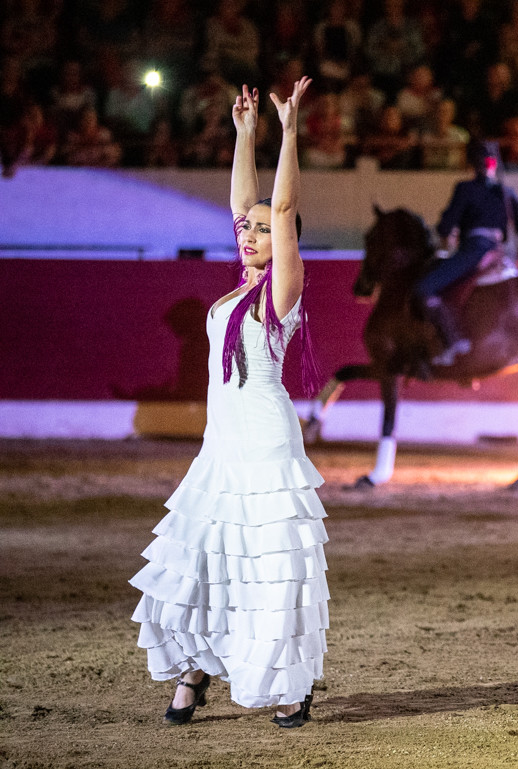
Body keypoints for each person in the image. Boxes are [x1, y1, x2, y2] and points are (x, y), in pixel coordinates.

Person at [130, 76, 329, 730]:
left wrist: (289, 131)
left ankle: (291, 684)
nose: (248, 233)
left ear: (285, 239)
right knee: (195, 559)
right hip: (221, 448)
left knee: (271, 570)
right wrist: (244, 134)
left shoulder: (281, 293)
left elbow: (279, 202)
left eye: (263, 230)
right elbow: (247, 202)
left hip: (267, 445)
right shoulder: (233, 289)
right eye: (244, 230)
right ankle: (193, 670)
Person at [420, 139, 518, 366]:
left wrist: (447, 232)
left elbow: (445, 226)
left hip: (474, 250)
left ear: (472, 164)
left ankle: (452, 340)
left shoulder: (465, 188)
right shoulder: (507, 193)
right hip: (499, 254)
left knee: (424, 288)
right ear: (493, 164)